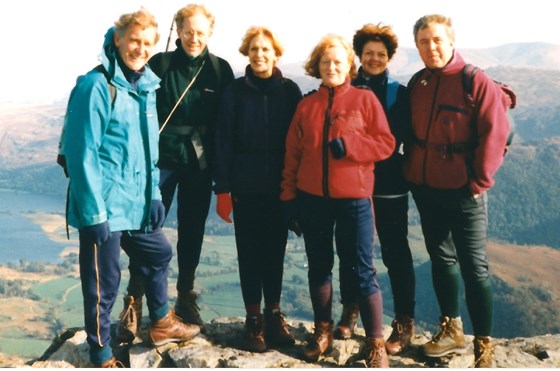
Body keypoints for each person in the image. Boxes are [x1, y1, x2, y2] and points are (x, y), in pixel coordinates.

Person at [60, 8, 200, 367]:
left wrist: (154, 193)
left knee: (158, 254)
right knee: (103, 283)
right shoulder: (96, 85)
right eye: (133, 40)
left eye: (146, 43)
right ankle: (101, 351)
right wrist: (92, 213)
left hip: (136, 202)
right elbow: (81, 155)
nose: (139, 48)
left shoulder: (147, 86)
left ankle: (161, 321)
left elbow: (148, 150)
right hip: (103, 206)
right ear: (118, 38)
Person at [117, 3, 234, 340]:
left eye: (200, 32)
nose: (193, 38)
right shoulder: (161, 65)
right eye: (188, 31)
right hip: (162, 159)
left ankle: (185, 296)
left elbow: (225, 123)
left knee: (193, 229)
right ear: (178, 31)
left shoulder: (219, 70)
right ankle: (134, 301)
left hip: (199, 161)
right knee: (147, 228)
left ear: (209, 32)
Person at [281, 34, 395, 368]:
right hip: (312, 198)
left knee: (361, 270)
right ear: (317, 66)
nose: (332, 67)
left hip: (355, 200)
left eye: (338, 62)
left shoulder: (364, 100)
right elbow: (293, 155)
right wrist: (289, 199)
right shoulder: (307, 106)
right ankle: (323, 332)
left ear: (349, 66)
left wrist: (351, 147)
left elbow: (385, 144)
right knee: (319, 266)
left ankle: (375, 344)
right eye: (326, 62)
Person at [403, 14, 511, 368]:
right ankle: (451, 330)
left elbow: (496, 134)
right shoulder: (419, 82)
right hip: (426, 187)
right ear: (416, 45)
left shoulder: (474, 81)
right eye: (423, 42)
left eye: (436, 40)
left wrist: (479, 182)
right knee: (441, 259)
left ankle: (484, 348)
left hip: (465, 191)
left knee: (474, 268)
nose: (431, 47)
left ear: (451, 40)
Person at [213, 26, 303, 352]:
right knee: (249, 253)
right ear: (246, 53)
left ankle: (274, 314)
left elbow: (301, 142)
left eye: (266, 49)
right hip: (245, 186)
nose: (260, 54)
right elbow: (222, 141)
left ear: (276, 53)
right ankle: (253, 320)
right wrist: (222, 189)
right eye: (254, 49)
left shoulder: (290, 91)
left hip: (281, 186)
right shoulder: (234, 93)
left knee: (275, 253)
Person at [333, 23, 415, 356]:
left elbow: (407, 137)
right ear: (359, 55)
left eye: (381, 54)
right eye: (368, 53)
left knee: (395, 251)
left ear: (390, 57)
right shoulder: (346, 87)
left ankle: (404, 322)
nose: (375, 59)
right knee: (350, 249)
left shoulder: (400, 93)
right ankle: (350, 309)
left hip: (390, 184)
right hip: (352, 183)